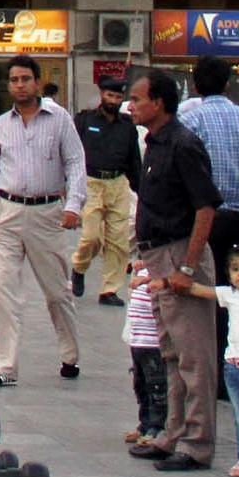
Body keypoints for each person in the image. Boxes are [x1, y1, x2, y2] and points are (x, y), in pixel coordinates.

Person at [126, 67, 221, 471]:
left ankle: (197, 444)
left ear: (158, 102)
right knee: (170, 352)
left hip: (180, 254)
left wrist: (188, 265)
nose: (131, 106)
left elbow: (205, 206)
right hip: (157, 256)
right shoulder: (155, 144)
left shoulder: (183, 144)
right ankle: (173, 433)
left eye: (137, 99)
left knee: (194, 357)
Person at [0, 53, 87, 389]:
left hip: (47, 212)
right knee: (4, 289)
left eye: (26, 79)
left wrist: (74, 205)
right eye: (14, 80)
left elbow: (75, 163)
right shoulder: (1, 124)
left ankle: (70, 355)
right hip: (7, 213)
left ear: (37, 82)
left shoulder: (59, 119)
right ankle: (4, 366)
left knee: (56, 292)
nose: (20, 85)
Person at [180, 54, 239, 394]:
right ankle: (229, 370)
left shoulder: (189, 119)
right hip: (236, 217)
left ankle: (202, 372)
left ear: (194, 84)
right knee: (232, 289)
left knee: (202, 293)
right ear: (229, 83)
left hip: (198, 219)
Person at [152, 246, 239, 477]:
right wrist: (167, 283)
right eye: (235, 269)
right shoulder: (230, 294)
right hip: (234, 366)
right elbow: (197, 289)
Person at [71, 74, 140, 305]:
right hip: (90, 182)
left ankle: (109, 290)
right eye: (110, 95)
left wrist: (142, 190)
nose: (114, 100)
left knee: (118, 242)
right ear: (102, 95)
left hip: (118, 184)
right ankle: (79, 267)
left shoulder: (127, 126)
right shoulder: (84, 120)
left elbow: (134, 160)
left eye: (119, 96)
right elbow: (70, 154)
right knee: (91, 237)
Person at [123, 264, 168, 447]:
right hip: (138, 340)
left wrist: (146, 278)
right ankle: (145, 423)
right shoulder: (141, 269)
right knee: (140, 385)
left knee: (156, 386)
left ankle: (157, 427)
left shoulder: (159, 270)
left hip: (153, 343)